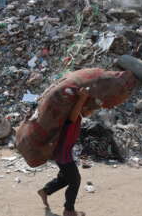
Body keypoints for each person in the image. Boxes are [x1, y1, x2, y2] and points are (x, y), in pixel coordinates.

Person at [38, 87, 95, 216]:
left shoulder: (76, 116)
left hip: (64, 153)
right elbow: (73, 117)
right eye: (89, 109)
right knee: (75, 180)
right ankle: (68, 210)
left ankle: (45, 191)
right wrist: (82, 98)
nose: (90, 112)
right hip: (63, 154)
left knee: (65, 178)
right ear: (81, 107)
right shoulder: (72, 115)